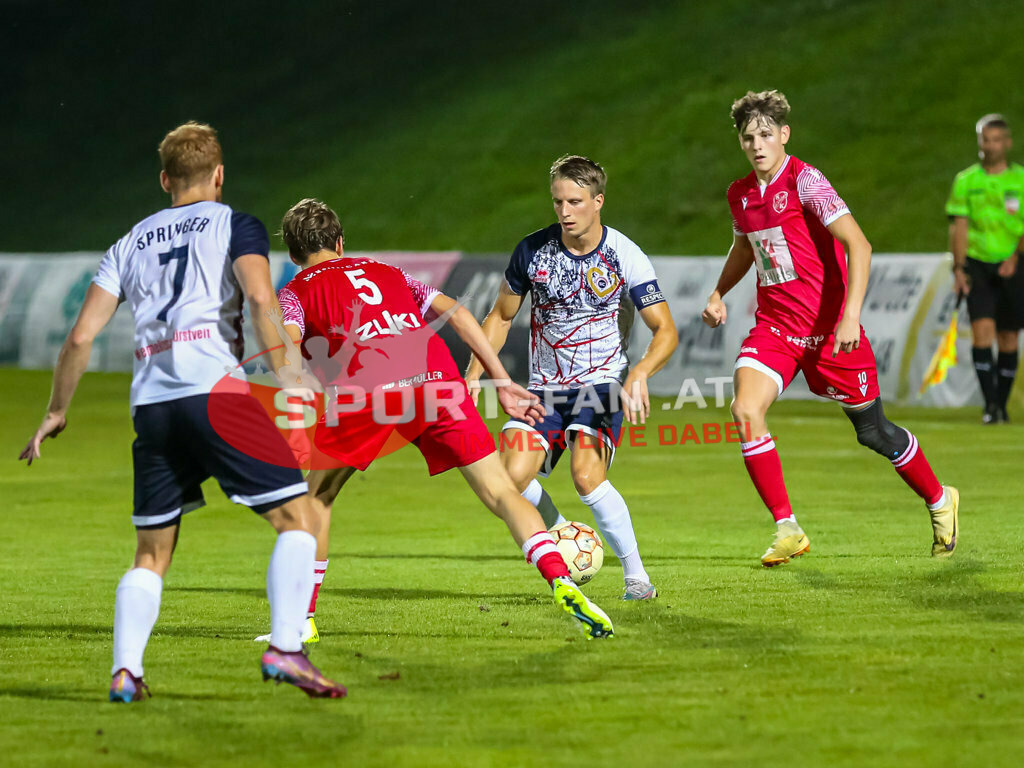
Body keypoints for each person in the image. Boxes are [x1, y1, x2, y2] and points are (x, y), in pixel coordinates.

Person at [19, 123, 347, 700]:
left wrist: (55, 411)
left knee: (151, 551)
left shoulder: (130, 242)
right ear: (219, 175)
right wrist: (293, 375)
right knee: (297, 517)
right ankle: (287, 650)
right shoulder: (234, 224)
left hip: (151, 407)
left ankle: (127, 671)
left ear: (165, 179)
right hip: (214, 393)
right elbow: (261, 297)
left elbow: (78, 338)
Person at [256, 198, 615, 640]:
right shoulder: (388, 273)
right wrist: (500, 380)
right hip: (436, 379)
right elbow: (460, 315)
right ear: (341, 242)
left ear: (292, 254)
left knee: (316, 499)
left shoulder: (294, 292)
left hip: (367, 391)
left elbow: (287, 350)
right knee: (501, 491)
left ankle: (302, 621)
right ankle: (560, 579)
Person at [701, 90, 960, 566]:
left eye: (765, 135)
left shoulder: (806, 181)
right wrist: (719, 291)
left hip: (829, 332)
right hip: (776, 328)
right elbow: (745, 249)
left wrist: (850, 315)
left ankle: (940, 498)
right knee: (744, 408)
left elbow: (858, 246)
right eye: (747, 138)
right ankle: (787, 527)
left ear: (784, 135)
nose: (757, 145)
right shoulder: (740, 194)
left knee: (873, 432)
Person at [465, 155, 678, 600]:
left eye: (575, 201)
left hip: (601, 387)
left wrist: (639, 372)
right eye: (558, 201)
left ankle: (637, 579)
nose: (564, 211)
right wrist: (472, 376)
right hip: (543, 389)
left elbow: (665, 329)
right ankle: (564, 532)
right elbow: (501, 317)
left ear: (598, 201)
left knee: (586, 474)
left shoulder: (624, 254)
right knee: (510, 475)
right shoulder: (532, 251)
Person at [947, 113, 1024, 424]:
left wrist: (1015, 258)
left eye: (995, 140)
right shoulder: (966, 180)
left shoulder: (1019, 179)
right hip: (977, 265)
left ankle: (1002, 405)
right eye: (984, 139)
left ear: (1007, 143)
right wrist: (959, 268)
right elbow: (959, 227)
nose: (989, 146)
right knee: (982, 333)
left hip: (1013, 262)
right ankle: (990, 406)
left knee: (1008, 338)